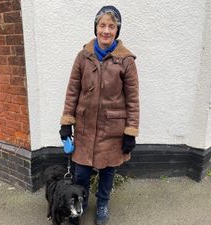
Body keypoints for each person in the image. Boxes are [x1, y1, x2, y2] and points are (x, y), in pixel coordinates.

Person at [59, 5, 139, 225]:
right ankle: (79, 204)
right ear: (96, 28)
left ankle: (102, 203)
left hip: (112, 129)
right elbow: (72, 90)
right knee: (81, 173)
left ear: (117, 30)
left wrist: (130, 132)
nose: (106, 30)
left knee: (107, 172)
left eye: (111, 26)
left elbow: (133, 100)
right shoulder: (83, 57)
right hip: (85, 127)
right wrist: (67, 122)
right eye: (102, 25)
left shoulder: (126, 61)